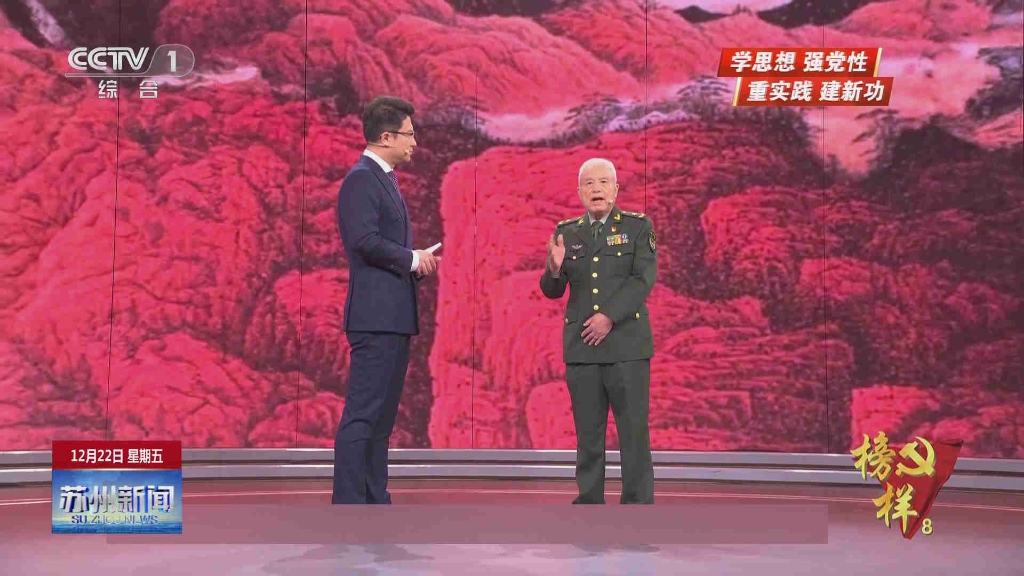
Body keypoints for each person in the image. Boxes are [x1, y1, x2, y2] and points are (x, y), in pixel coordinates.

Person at [332, 95, 439, 504]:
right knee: (363, 415)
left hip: (393, 317)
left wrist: (416, 261)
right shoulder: (361, 179)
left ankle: (374, 499)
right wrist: (411, 258)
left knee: (381, 420)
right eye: (409, 134)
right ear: (386, 136)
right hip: (375, 318)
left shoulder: (384, 178)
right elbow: (363, 241)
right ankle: (349, 504)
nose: (415, 142)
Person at [539, 158, 658, 505]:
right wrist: (554, 268)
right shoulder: (567, 232)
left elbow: (642, 280)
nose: (596, 189)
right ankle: (589, 502)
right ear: (579, 192)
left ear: (616, 189)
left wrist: (609, 317)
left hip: (627, 347)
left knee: (633, 432)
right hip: (583, 349)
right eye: (589, 184)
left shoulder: (638, 227)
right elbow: (552, 291)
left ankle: (637, 505)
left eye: (603, 182)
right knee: (588, 434)